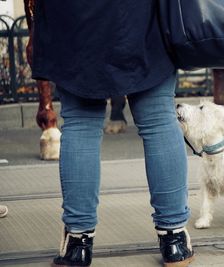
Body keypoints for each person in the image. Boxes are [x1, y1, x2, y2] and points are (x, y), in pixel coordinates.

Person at [26, 1, 194, 266]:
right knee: (158, 118)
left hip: (75, 18)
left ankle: (77, 244)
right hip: (142, 15)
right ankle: (174, 239)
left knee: (81, 123)